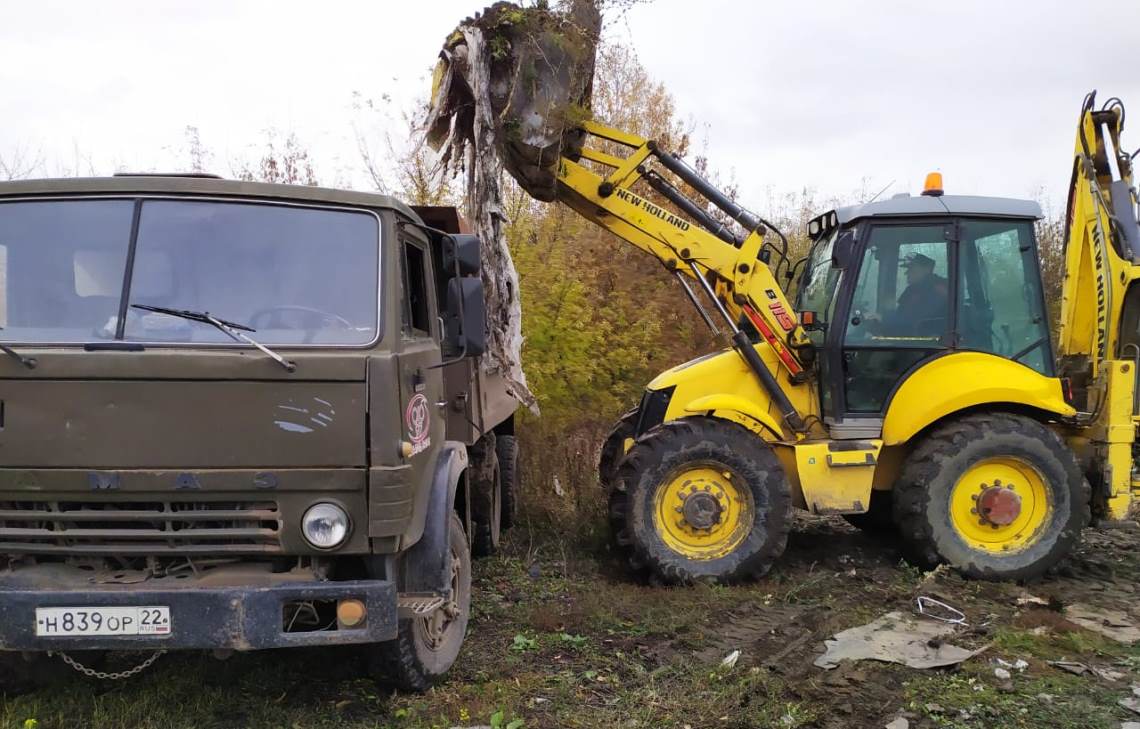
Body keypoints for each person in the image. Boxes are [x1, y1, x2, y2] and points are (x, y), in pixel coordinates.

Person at [875, 252, 948, 337]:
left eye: (911, 269)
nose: (906, 273)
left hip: (925, 344)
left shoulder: (938, 290)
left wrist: (884, 319)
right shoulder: (913, 290)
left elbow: (915, 319)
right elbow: (902, 315)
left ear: (926, 269)